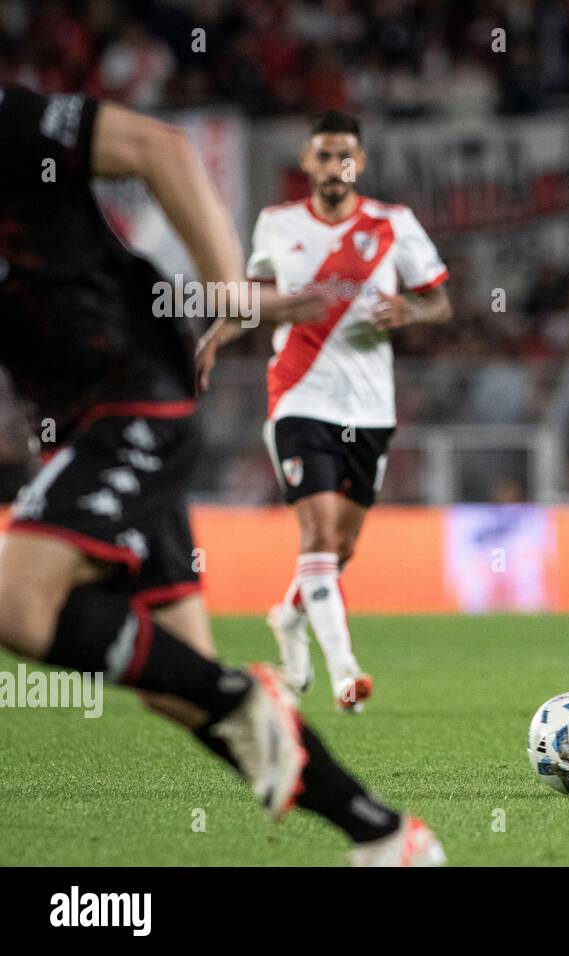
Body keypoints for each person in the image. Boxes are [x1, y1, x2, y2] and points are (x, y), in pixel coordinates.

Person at [0, 84, 443, 863]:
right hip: (85, 421)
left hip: (133, 394)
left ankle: (248, 690)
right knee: (179, 686)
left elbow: (161, 148)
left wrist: (229, 293)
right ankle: (384, 835)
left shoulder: (13, 118)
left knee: (18, 606)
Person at [197, 110, 452, 712]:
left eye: (344, 156)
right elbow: (251, 300)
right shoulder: (276, 224)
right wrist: (214, 339)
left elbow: (439, 301)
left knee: (340, 548)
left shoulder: (394, 224)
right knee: (314, 533)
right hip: (298, 397)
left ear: (358, 163)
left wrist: (409, 314)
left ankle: (288, 619)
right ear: (306, 163)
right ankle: (346, 673)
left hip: (370, 406)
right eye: (322, 155)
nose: (333, 167)